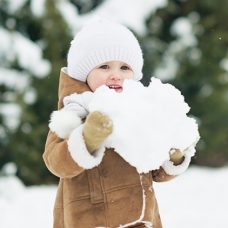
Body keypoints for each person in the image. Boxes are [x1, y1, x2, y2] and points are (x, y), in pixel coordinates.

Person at [43, 19, 195, 228]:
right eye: (104, 66)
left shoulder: (138, 110)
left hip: (143, 220)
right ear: (83, 72)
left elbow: (154, 172)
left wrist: (172, 155)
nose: (116, 75)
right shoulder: (74, 112)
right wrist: (86, 140)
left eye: (124, 67)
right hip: (91, 220)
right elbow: (55, 162)